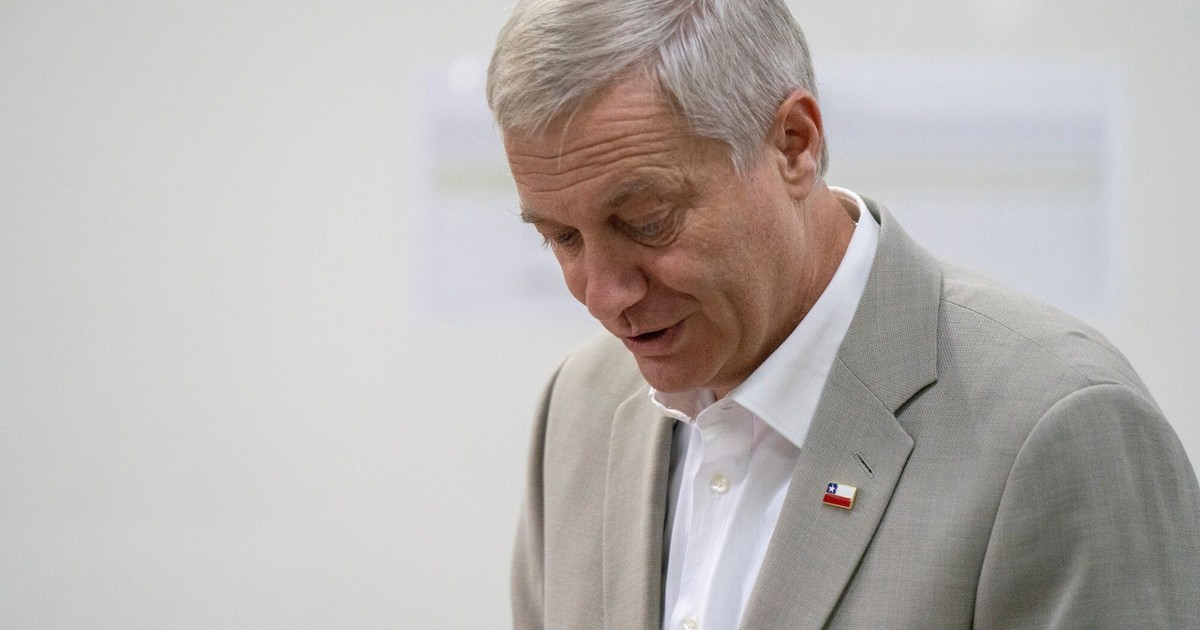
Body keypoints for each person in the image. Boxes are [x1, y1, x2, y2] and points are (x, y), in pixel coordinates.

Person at [486, 1, 1200, 628]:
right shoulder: (580, 409)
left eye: (647, 221)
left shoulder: (1057, 428)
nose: (603, 295)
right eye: (562, 238)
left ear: (794, 145)